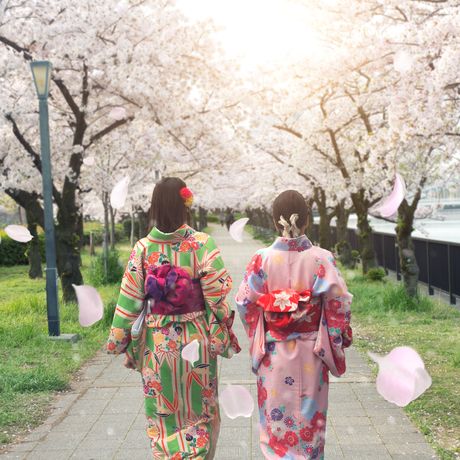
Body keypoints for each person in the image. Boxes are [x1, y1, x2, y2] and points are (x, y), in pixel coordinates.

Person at [107, 177, 240, 459]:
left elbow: (129, 302)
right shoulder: (203, 244)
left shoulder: (143, 249)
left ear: (154, 207)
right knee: (200, 414)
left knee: (163, 417)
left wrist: (119, 341)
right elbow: (217, 298)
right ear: (185, 205)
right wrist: (224, 332)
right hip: (197, 342)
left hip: (158, 346)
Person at [236, 190, 352, 460]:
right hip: (313, 351)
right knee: (310, 425)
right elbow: (339, 304)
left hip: (274, 354)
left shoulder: (261, 259)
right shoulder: (322, 259)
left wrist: (262, 331)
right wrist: (335, 337)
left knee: (275, 425)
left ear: (276, 222)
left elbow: (244, 303)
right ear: (308, 220)